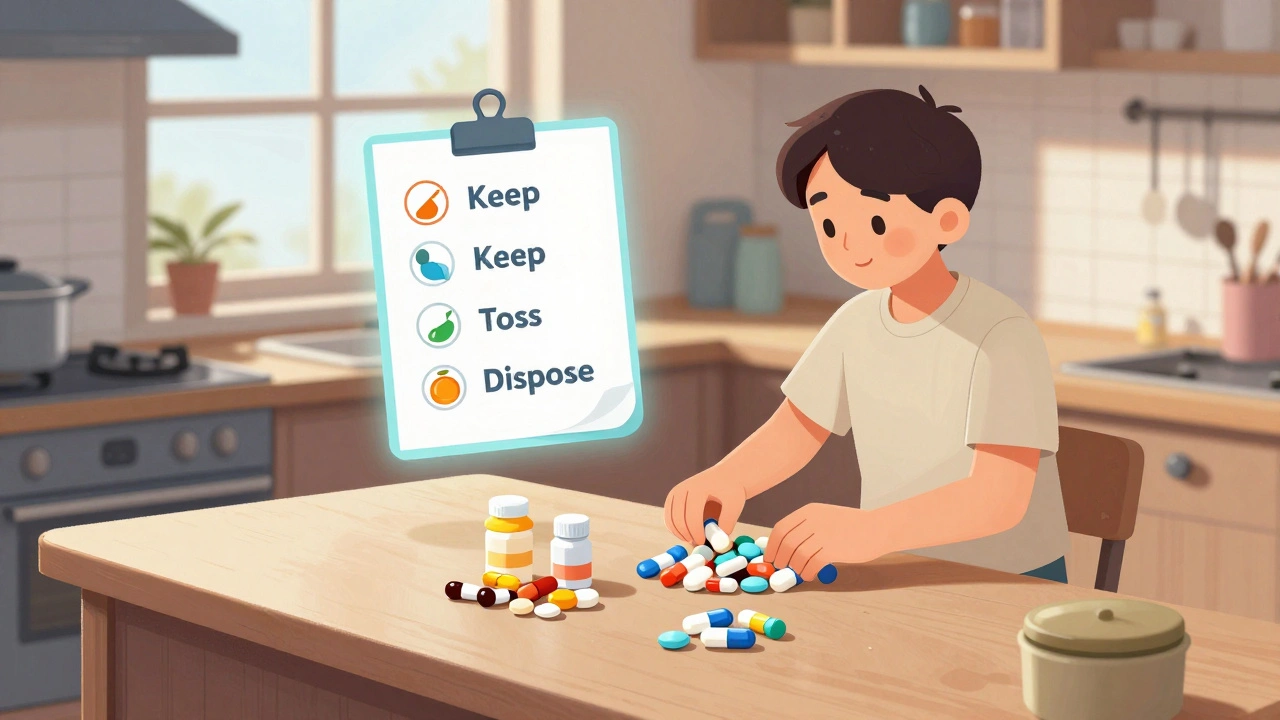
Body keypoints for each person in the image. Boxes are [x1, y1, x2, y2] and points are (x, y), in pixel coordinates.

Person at [664, 86, 1069, 584]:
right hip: (899, 570)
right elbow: (798, 428)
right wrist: (729, 478)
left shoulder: (1001, 336)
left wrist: (871, 530)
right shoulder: (856, 322)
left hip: (1007, 583)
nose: (851, 243)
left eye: (876, 220)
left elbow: (998, 499)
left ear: (947, 219)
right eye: (830, 224)